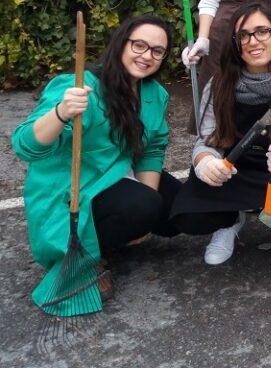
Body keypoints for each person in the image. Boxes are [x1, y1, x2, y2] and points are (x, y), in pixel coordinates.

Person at [13, 15, 181, 311]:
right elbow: (26, 145)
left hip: (116, 173)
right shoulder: (80, 86)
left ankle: (128, 224)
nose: (147, 56)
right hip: (73, 187)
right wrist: (62, 112)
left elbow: (153, 147)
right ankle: (89, 257)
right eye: (139, 45)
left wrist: (150, 203)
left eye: (157, 51)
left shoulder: (154, 94)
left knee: (178, 208)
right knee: (143, 207)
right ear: (121, 44)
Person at [170, 3, 271, 280]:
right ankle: (230, 221)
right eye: (243, 35)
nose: (252, 41)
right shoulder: (219, 83)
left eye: (262, 31)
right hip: (236, 170)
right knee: (189, 215)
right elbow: (205, 141)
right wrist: (205, 162)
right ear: (235, 43)